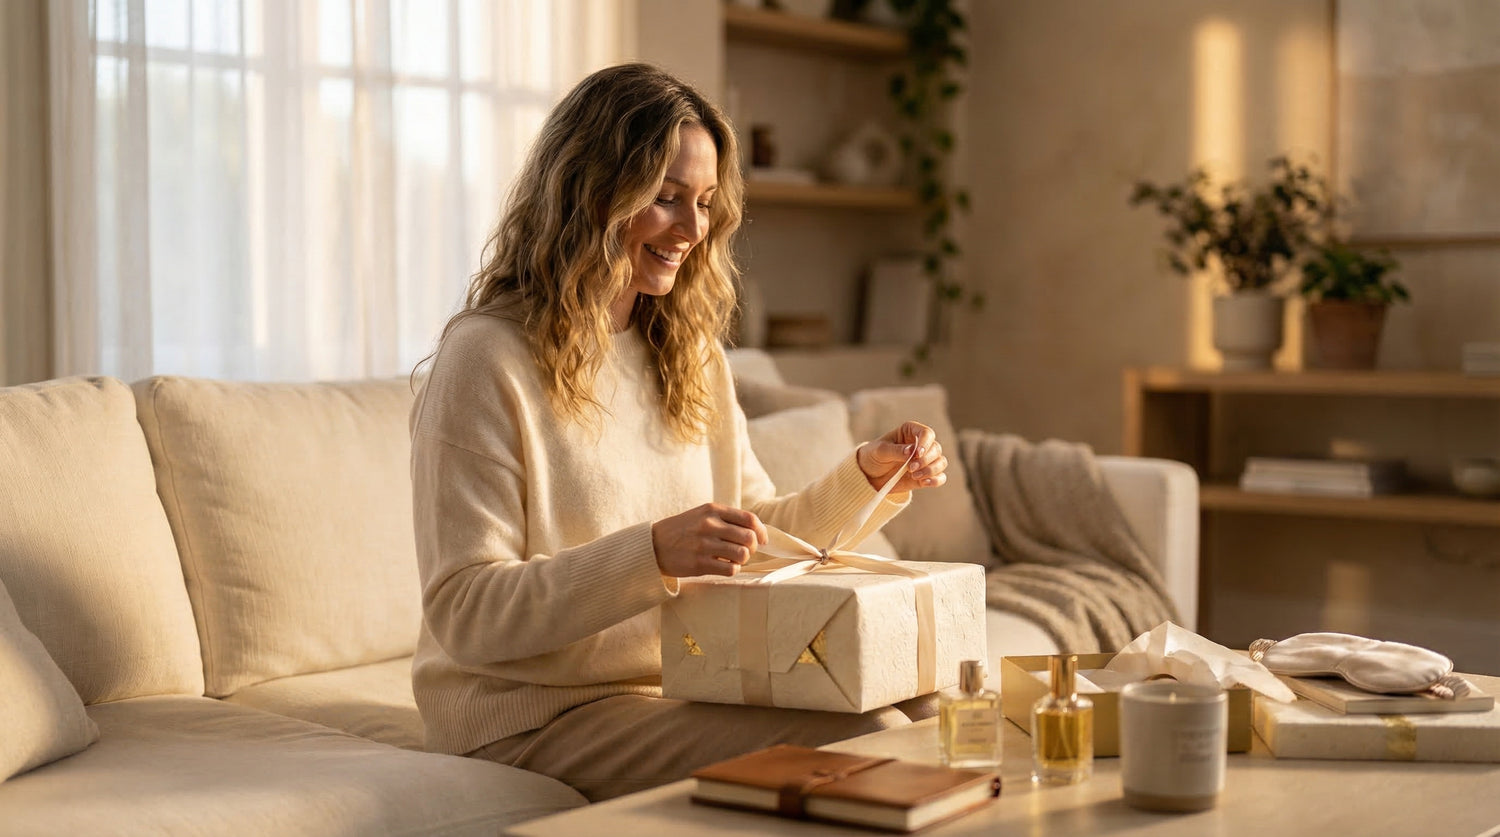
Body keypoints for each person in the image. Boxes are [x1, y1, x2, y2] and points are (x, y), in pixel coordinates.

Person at [409, 62, 951, 802]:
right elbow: (465, 610)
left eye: (703, 202)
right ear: (591, 192)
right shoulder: (486, 359)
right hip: (529, 712)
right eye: (666, 199)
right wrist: (652, 554)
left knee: (932, 712)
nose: (694, 229)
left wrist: (867, 477)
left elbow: (754, 540)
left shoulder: (686, 351)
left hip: (682, 680)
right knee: (875, 741)